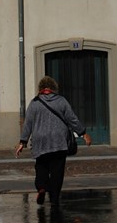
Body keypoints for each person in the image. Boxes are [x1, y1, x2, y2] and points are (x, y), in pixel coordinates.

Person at [15, 76, 92, 206]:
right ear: (53, 88)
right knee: (57, 171)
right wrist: (83, 133)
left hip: (40, 142)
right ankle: (54, 199)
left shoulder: (34, 103)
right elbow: (72, 118)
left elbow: (28, 123)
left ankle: (41, 187)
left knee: (41, 167)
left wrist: (22, 142)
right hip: (59, 141)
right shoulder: (61, 101)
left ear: (40, 89)